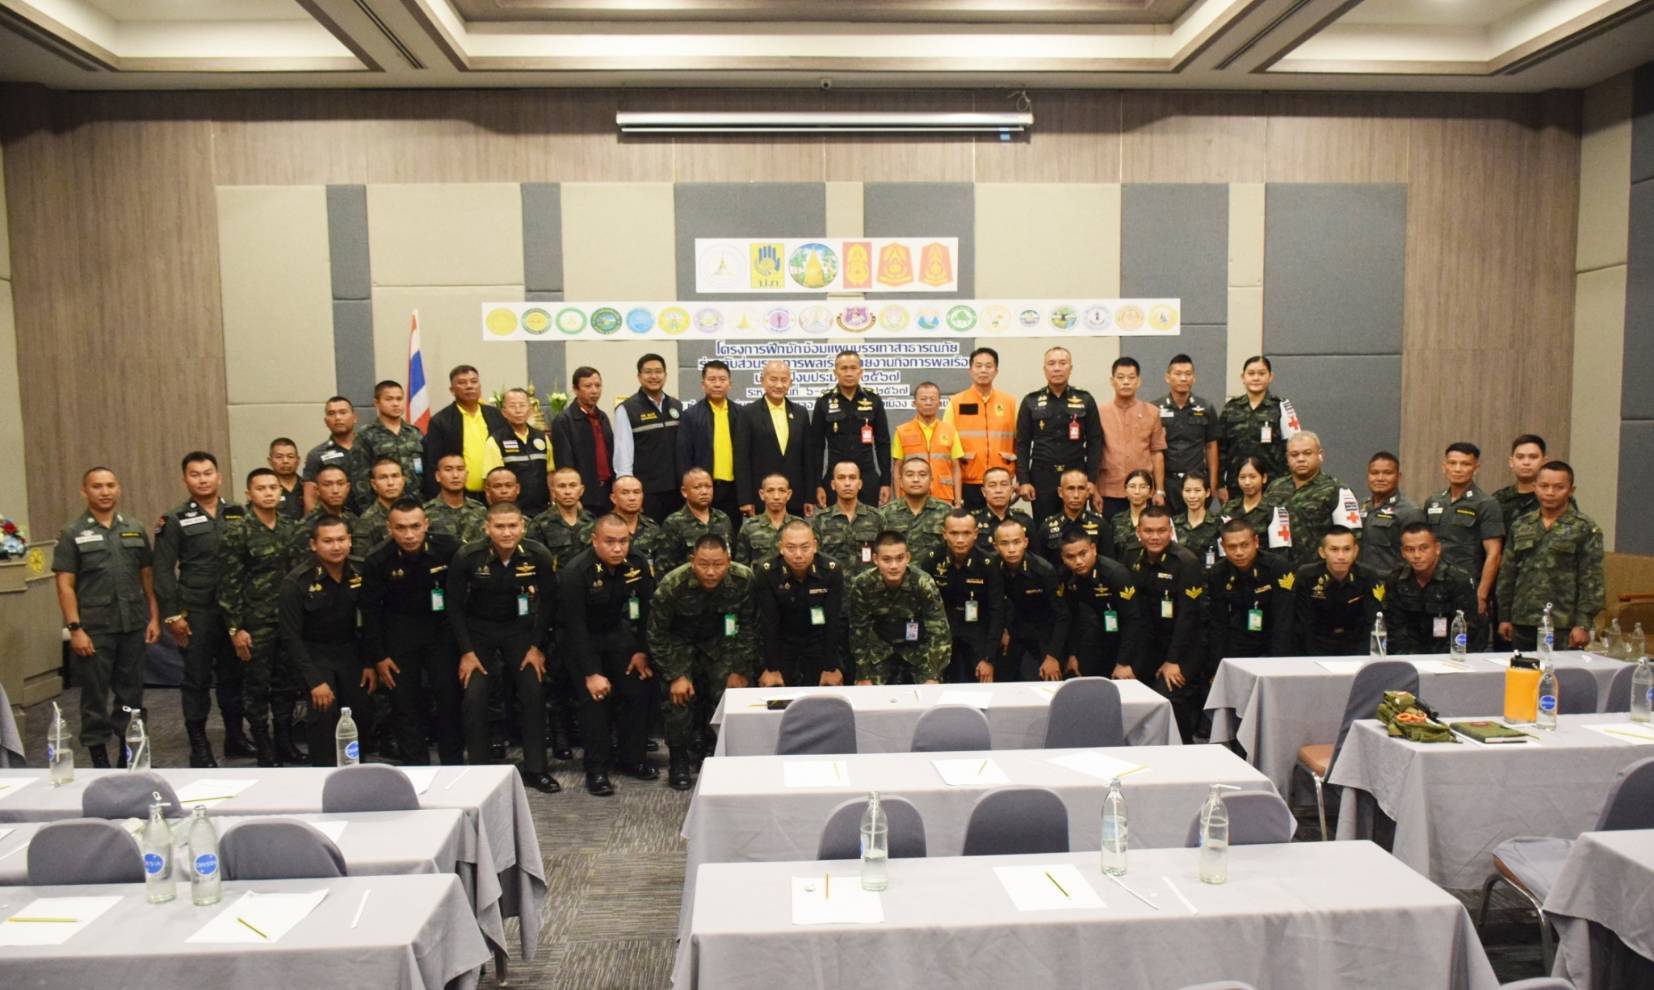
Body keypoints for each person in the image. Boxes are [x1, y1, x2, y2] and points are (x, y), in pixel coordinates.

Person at [446, 502, 559, 792]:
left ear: (523, 527)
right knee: (475, 695)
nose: (507, 532)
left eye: (512, 526)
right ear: (487, 528)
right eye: (499, 526)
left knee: (533, 691)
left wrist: (536, 646)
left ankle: (536, 769)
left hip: (519, 629)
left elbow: (549, 602)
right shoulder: (468, 556)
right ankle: (479, 771)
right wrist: (466, 652)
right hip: (478, 630)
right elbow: (454, 606)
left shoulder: (537, 555)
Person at [53, 466, 160, 768]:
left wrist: (154, 617)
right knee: (95, 697)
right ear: (84, 491)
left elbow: (147, 576)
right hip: (94, 629)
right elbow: (65, 584)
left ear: (119, 489)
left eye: (110, 485)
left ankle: (128, 753)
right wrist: (75, 628)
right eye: (97, 486)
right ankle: (99, 759)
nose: (105, 492)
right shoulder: (73, 532)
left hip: (132, 625)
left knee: (130, 695)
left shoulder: (134, 528)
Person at [154, 451, 248, 767]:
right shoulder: (174, 519)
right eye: (195, 474)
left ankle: (235, 738)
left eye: (208, 473)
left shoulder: (237, 512)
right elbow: (163, 570)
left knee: (233, 676)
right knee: (196, 680)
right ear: (185, 480)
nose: (203, 479)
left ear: (219, 476)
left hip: (232, 611)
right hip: (196, 611)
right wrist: (172, 615)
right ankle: (199, 746)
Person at [557, 514, 657, 796]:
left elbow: (647, 610)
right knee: (595, 699)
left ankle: (631, 759)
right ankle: (596, 769)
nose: (617, 548)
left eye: (623, 541)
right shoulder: (576, 571)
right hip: (580, 639)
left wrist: (641, 651)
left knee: (637, 688)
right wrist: (591, 673)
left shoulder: (636, 562)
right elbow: (574, 626)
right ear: (595, 541)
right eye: (610, 542)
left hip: (616, 632)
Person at [649, 535, 760, 789]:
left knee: (728, 695)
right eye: (703, 564)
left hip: (722, 641)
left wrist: (740, 669)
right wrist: (675, 674)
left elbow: (749, 626)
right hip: (681, 643)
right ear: (692, 561)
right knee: (679, 699)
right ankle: (678, 758)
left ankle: (715, 752)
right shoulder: (673, 584)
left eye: (718, 565)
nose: (711, 572)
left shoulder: (743, 579)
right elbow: (657, 634)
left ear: (729, 561)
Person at [359, 499, 463, 766]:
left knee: (449, 697)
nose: (409, 534)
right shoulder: (377, 559)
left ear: (426, 524)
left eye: (415, 526)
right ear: (389, 528)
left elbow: (464, 595)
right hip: (399, 631)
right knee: (404, 701)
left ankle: (452, 763)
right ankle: (416, 766)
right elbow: (369, 612)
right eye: (401, 528)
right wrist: (378, 656)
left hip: (441, 629)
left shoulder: (449, 548)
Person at [217, 468, 302, 765]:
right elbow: (228, 584)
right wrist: (235, 628)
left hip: (288, 621)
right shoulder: (238, 531)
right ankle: (264, 746)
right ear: (249, 494)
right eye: (261, 488)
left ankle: (285, 742)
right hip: (255, 623)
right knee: (256, 687)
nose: (268, 493)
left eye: (273, 488)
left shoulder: (291, 527)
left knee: (286, 685)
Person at [277, 516, 372, 767]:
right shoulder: (297, 582)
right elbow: (290, 637)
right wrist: (314, 681)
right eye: (328, 541)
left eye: (341, 539)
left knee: (360, 715)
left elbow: (372, 621)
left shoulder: (362, 571)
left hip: (352, 653)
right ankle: (323, 772)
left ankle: (358, 773)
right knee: (324, 717)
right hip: (315, 655)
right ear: (313, 544)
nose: (336, 546)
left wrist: (369, 662)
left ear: (350, 541)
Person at [1497, 461, 1605, 651]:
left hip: (1563, 622)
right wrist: (1504, 616)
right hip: (1523, 619)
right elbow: (1508, 573)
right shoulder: (1521, 524)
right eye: (1544, 486)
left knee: (1562, 670)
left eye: (1558, 487)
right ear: (1535, 487)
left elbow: (1591, 580)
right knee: (1522, 669)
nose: (1550, 492)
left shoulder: (1585, 528)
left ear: (1571, 490)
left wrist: (1583, 623)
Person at [1124, 505, 1207, 742]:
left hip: (1184, 645)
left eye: (1161, 531)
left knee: (1169, 696)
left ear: (1170, 531)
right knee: (1131, 692)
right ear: (1138, 532)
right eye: (1148, 531)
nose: (1155, 537)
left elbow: (1188, 618)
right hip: (1149, 644)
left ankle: (1182, 749)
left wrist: (1173, 660)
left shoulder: (1186, 562)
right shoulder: (1130, 555)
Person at [1423, 442, 1504, 645]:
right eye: (1452, 463)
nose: (1458, 469)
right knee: (1431, 646)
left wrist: (1481, 596)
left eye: (1465, 464)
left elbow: (1494, 554)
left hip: (1468, 589)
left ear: (1476, 468)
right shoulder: (1434, 501)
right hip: (1435, 588)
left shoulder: (1486, 504)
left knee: (1466, 647)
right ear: (1444, 467)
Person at [848, 530, 950, 685]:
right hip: (880, 650)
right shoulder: (863, 584)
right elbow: (858, 632)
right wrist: (863, 674)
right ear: (875, 559)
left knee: (929, 693)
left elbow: (939, 632)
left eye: (900, 558)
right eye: (886, 560)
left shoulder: (923, 583)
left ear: (908, 557)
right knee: (867, 695)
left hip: (917, 650)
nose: (894, 566)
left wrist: (933, 675)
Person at [754, 520, 848, 687]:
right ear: (781, 548)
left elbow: (833, 621)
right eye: (791, 548)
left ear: (815, 546)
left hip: (819, 640)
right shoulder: (768, 571)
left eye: (805, 547)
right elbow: (769, 623)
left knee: (825, 692)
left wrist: (831, 667)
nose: (798, 555)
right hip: (782, 641)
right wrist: (771, 667)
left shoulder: (831, 570)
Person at [1015, 346, 1103, 522]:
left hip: (1075, 475)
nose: (1057, 368)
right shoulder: (1031, 401)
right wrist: (1024, 481)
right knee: (1043, 526)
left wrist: (1091, 480)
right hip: (1042, 477)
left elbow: (1095, 442)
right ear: (1044, 369)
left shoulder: (1085, 399)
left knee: (1076, 525)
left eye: (1062, 363)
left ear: (1070, 368)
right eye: (1051, 363)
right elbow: (1022, 444)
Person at [922, 510, 1004, 683]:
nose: (960, 540)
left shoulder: (987, 564)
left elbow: (996, 612)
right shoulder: (933, 560)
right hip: (942, 630)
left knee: (981, 682)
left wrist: (989, 658)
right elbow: (923, 607)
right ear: (944, 534)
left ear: (976, 534)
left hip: (977, 630)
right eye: (954, 533)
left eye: (966, 533)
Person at [1205, 519, 1295, 665]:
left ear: (1256, 542)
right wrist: (1218, 666)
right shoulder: (1218, 573)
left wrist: (1278, 664)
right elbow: (1218, 624)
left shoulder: (1277, 567)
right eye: (1232, 547)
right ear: (1223, 547)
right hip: (1238, 643)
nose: (1239, 552)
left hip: (1271, 641)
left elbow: (1283, 621)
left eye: (1245, 545)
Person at [1057, 528, 1144, 679]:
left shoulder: (1115, 574)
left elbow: (1133, 621)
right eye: (1070, 557)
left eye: (1083, 554)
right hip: (1097, 635)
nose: (1078, 561)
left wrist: (1123, 662)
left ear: (1093, 549)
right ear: (1062, 557)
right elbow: (1072, 617)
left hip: (1130, 639)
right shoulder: (1065, 575)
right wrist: (1072, 654)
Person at [735, 360, 817, 518]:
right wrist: (745, 499)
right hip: (761, 498)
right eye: (773, 379)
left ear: (790, 382)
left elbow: (808, 458)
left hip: (795, 497)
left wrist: (809, 497)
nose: (779, 385)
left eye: (784, 380)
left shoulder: (800, 413)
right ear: (762, 380)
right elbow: (741, 459)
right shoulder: (748, 413)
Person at [992, 518, 1071, 681]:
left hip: (1043, 629)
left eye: (1016, 542)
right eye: (1004, 543)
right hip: (1011, 629)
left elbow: (1062, 615)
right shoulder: (991, 567)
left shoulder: (1043, 570)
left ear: (1025, 542)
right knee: (1002, 677)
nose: (1011, 549)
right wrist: (1002, 630)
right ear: (995, 546)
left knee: (1050, 676)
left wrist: (1053, 655)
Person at [811, 349, 891, 509]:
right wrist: (817, 484)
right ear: (835, 372)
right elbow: (816, 447)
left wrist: (885, 482)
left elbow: (883, 443)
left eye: (853, 368)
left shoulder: (873, 400)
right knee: (834, 522)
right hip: (835, 478)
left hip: (867, 477)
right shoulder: (824, 402)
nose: (849, 373)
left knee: (869, 522)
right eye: (844, 368)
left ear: (861, 371)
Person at [1385, 523, 1478, 655]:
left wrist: (1440, 660)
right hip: (1408, 655)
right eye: (1410, 549)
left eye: (1424, 548)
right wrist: (1411, 658)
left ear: (1437, 548)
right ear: (1403, 553)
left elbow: (1465, 630)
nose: (1417, 555)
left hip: (1449, 656)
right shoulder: (1395, 580)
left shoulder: (1459, 580)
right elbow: (1394, 629)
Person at [613, 353, 684, 522]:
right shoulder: (627, 409)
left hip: (676, 489)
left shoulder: (676, 405)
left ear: (665, 375)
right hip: (647, 491)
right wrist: (629, 492)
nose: (654, 376)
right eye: (648, 372)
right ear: (639, 376)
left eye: (658, 371)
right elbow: (623, 452)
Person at [947, 346, 1019, 511]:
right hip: (967, 480)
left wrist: (1020, 478)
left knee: (1000, 524)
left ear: (996, 371)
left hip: (1000, 480)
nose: (983, 370)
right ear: (970, 370)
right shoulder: (956, 402)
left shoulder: (1010, 402)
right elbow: (946, 444)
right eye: (978, 366)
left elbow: (1021, 442)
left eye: (988, 366)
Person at [1292, 526, 1383, 656]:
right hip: (1317, 645)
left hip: (1356, 646)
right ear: (1322, 552)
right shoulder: (1307, 576)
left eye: (1347, 549)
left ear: (1355, 551)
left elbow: (1372, 621)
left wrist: (1361, 658)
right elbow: (1304, 625)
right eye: (1334, 549)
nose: (1341, 556)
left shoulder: (1367, 576)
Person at [1268, 431, 1355, 566]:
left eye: (1307, 453)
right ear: (1287, 457)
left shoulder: (1336, 490)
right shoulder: (1275, 487)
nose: (1300, 459)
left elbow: (1351, 538)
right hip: (1278, 569)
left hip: (1318, 570)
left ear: (1320, 455)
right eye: (1294, 455)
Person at [421, 365, 508, 500]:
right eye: (462, 383)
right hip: (460, 495)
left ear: (480, 386)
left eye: (474, 381)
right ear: (452, 390)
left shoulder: (495, 415)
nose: (469, 386)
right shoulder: (441, 421)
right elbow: (433, 463)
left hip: (495, 492)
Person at [1098, 357, 1167, 519]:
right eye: (1121, 377)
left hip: (1143, 491)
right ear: (1112, 381)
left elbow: (1157, 452)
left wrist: (1159, 490)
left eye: (1131, 377)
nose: (1126, 382)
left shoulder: (1152, 412)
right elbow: (1094, 452)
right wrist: (1094, 488)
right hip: (1109, 491)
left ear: (1138, 381)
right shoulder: (1099, 412)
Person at [678, 360, 744, 526]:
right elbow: (683, 457)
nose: (717, 384)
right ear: (703, 384)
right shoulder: (690, 415)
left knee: (731, 535)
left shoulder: (741, 414)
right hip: (703, 489)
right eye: (712, 379)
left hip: (733, 490)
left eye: (722, 379)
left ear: (730, 384)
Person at [1216, 355, 1290, 502]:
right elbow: (1221, 449)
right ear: (1243, 377)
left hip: (1273, 486)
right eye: (1251, 373)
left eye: (1261, 373)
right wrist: (1220, 484)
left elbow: (1292, 447)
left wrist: (1287, 484)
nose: (1256, 378)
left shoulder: (1282, 406)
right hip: (1236, 486)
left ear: (1270, 376)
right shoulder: (1231, 408)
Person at [1157, 354, 1220, 515]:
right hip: (1167, 482)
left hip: (1196, 483)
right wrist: (1158, 488)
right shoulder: (1155, 409)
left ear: (1194, 378)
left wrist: (1213, 483)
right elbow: (1152, 450)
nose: (1183, 378)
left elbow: (1211, 446)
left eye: (1188, 374)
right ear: (1167, 377)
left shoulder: (1205, 408)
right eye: (1178, 374)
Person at [552, 366, 616, 515]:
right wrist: (574, 496)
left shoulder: (602, 417)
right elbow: (564, 462)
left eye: (598, 386)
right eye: (588, 386)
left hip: (607, 492)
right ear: (576, 389)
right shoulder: (564, 420)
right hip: (583, 495)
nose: (594, 391)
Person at [481, 387, 552, 517]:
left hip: (542, 511)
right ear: (504, 412)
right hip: (511, 513)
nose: (518, 410)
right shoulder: (495, 440)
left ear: (530, 409)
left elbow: (551, 474)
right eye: (513, 406)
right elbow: (490, 483)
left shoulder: (542, 437)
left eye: (522, 405)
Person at [354, 380, 425, 506]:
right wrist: (370, 508)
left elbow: (424, 469)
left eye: (399, 399)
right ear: (377, 403)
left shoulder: (414, 433)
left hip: (416, 504)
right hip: (384, 507)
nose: (395, 404)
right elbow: (360, 477)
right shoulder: (366, 435)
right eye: (389, 399)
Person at [891, 382, 963, 505]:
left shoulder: (950, 431)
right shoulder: (902, 431)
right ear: (914, 403)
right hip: (911, 499)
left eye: (932, 399)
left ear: (940, 403)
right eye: (923, 399)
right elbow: (897, 468)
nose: (928, 403)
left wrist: (958, 502)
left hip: (943, 498)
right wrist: (898, 501)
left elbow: (956, 468)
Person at [580, 475, 669, 570]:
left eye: (636, 492)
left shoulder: (652, 527)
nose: (632, 498)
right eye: (625, 493)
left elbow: (661, 564)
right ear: (613, 498)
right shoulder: (595, 529)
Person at [658, 467, 736, 574]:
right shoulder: (673, 523)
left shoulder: (723, 518)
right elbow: (664, 568)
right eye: (697, 487)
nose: (704, 492)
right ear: (684, 492)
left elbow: (732, 558)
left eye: (708, 486)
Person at [1359, 451, 1425, 577]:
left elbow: (1417, 556)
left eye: (1387, 473)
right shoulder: (1359, 506)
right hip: (1359, 582)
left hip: (1390, 582)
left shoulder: (1409, 511)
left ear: (1398, 476)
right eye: (1374, 473)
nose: (1380, 478)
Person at [812, 460, 882, 575]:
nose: (847, 483)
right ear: (833, 485)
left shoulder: (876, 517)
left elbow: (885, 555)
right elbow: (814, 559)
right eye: (841, 478)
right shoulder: (820, 520)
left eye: (852, 478)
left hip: (868, 584)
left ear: (860, 484)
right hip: (833, 584)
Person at [879, 456, 952, 565]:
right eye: (910, 475)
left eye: (922, 475)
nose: (916, 479)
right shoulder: (885, 514)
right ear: (900, 481)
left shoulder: (947, 512)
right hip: (896, 573)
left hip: (935, 574)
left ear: (931, 481)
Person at [1038, 466, 1112, 567]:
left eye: (1081, 488)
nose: (1076, 495)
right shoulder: (1048, 527)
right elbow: (1042, 567)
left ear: (1087, 492)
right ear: (1060, 492)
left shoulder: (1100, 524)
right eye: (1070, 489)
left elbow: (1109, 564)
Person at [302, 396, 365, 513]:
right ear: (326, 421)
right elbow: (310, 496)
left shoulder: (369, 447)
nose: (338, 417)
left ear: (355, 417)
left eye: (343, 412)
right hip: (335, 518)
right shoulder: (317, 455)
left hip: (371, 518)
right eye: (332, 413)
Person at [528, 466, 594, 569]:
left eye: (573, 485)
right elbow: (533, 559)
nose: (567, 491)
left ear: (581, 490)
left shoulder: (591, 521)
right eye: (562, 486)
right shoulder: (539, 523)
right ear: (553, 492)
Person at [293, 464, 360, 560]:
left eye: (340, 484)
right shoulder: (307, 527)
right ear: (317, 490)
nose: (335, 490)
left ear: (348, 487)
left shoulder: (354, 519)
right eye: (327, 485)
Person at [734, 472, 803, 566]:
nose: (776, 497)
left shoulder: (800, 526)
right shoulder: (749, 527)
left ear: (789, 494)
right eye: (770, 491)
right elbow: (741, 567)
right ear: (762, 494)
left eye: (782, 491)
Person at [1493, 435, 1552, 534]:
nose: (1526, 462)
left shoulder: (1553, 498)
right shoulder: (1498, 499)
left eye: (1533, 457)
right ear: (1511, 462)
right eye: (1520, 457)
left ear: (1544, 462)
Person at [423, 453, 487, 544]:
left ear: (466, 474)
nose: (455, 475)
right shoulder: (426, 512)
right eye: (448, 470)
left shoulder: (480, 510)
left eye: (460, 469)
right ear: (438, 476)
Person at [972, 466, 1035, 555]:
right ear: (983, 492)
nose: (998, 490)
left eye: (1004, 484)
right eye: (992, 485)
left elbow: (1034, 557)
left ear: (1011, 490)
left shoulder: (1024, 521)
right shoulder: (973, 522)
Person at [351, 457, 406, 555]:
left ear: (403, 480)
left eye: (395, 476)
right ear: (374, 484)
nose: (390, 483)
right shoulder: (366, 522)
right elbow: (362, 560)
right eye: (383, 478)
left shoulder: (415, 513)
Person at [1217, 456, 1276, 539]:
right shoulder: (1228, 507)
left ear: (1264, 478)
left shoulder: (1273, 510)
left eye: (1253, 477)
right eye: (1242, 477)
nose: (1247, 482)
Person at [1173, 471, 1220, 568]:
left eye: (1197, 490)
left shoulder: (1219, 523)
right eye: (1187, 490)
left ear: (1207, 493)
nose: (1192, 496)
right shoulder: (1172, 523)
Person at [1110, 468, 1157, 562]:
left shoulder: (1158, 518)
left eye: (1143, 487)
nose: (1137, 491)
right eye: (1132, 486)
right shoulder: (1117, 519)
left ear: (1151, 492)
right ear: (1125, 490)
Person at [268, 437, 305, 520]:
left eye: (290, 456)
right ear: (270, 461)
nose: (285, 461)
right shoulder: (266, 489)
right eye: (279, 457)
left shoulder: (307, 487)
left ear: (298, 460)